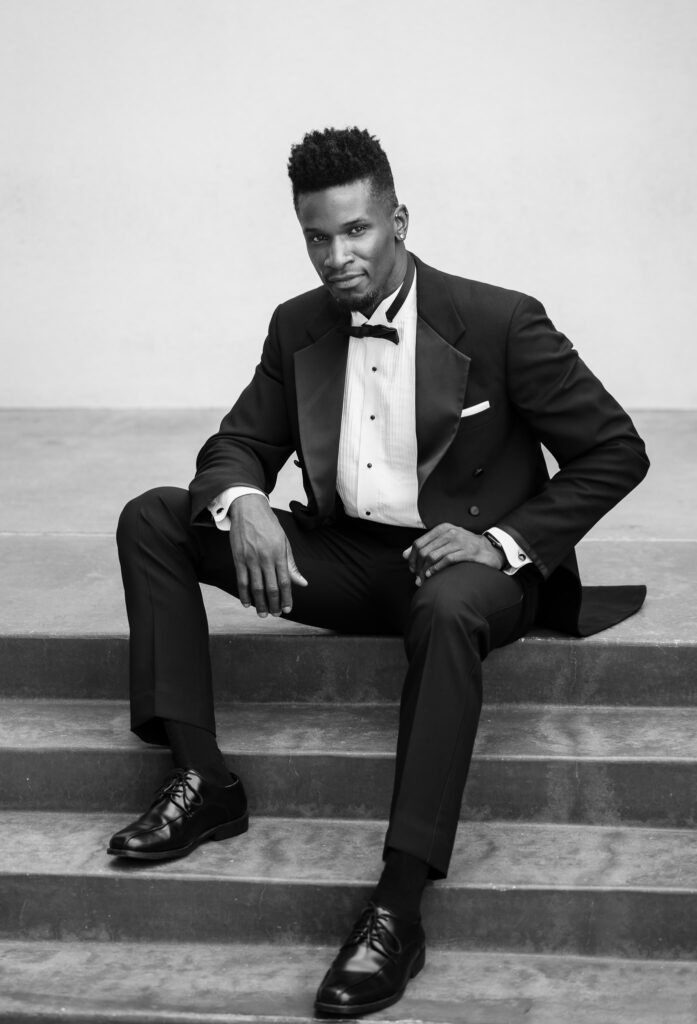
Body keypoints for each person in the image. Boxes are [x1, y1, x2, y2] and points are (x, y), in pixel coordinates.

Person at [108, 127, 649, 1018]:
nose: (336, 256)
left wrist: (503, 543)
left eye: (354, 232)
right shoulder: (298, 323)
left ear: (397, 220)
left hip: (467, 569)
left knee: (444, 609)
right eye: (317, 237)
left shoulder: (499, 319)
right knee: (156, 516)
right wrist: (244, 500)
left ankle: (397, 906)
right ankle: (204, 779)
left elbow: (614, 451)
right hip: (348, 557)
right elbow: (238, 441)